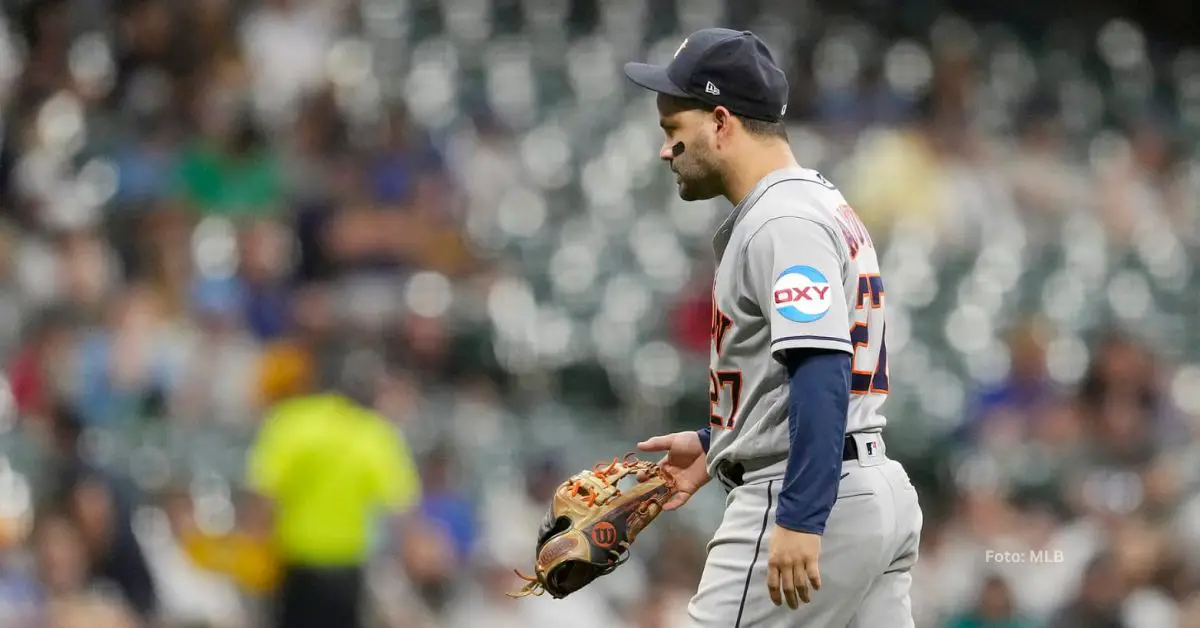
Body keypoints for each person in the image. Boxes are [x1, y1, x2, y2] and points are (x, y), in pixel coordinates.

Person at [624, 28, 923, 627]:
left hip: (807, 493)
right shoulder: (813, 204)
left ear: (720, 122)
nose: (665, 151)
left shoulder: (781, 220)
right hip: (868, 486)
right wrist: (719, 447)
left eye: (672, 131)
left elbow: (820, 367)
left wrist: (801, 516)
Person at [245, 347, 421, 628]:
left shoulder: (291, 422)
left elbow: (263, 494)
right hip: (347, 565)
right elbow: (402, 506)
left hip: (293, 561)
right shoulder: (375, 433)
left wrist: (255, 548)